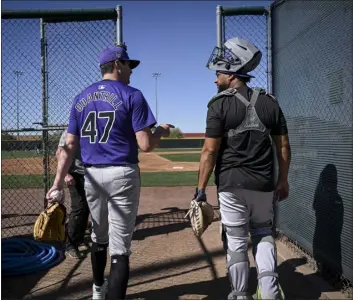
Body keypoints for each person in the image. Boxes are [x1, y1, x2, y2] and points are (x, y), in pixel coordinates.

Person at [46, 45, 174, 300]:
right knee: (120, 249)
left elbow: (69, 145)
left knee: (98, 236)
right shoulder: (133, 95)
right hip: (122, 174)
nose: (131, 71)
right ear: (117, 65)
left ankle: (97, 290)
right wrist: (162, 131)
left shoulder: (81, 97)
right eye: (128, 65)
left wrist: (57, 183)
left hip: (92, 176)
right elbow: (146, 145)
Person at [194, 37, 291, 299]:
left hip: (231, 184)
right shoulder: (271, 102)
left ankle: (239, 293)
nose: (215, 80)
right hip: (263, 184)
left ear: (232, 73)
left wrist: (200, 189)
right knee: (262, 233)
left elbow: (209, 152)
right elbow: (283, 147)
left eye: (218, 74)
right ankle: (269, 292)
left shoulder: (218, 104)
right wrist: (283, 180)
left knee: (236, 239)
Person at [56, 128, 90, 259]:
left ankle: (79, 238)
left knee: (87, 207)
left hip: (92, 173)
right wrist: (66, 174)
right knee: (79, 207)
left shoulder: (94, 126)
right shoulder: (70, 130)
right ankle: (69, 244)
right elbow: (60, 153)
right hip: (75, 173)